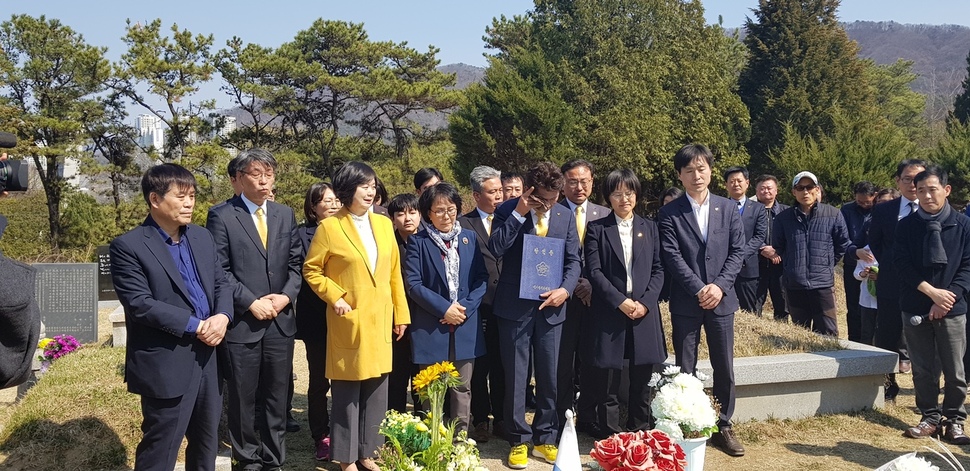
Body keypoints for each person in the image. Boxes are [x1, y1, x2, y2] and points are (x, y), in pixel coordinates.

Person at [110, 163, 233, 471]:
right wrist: (197, 325)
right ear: (155, 199)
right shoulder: (129, 246)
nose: (189, 203)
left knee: (206, 444)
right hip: (166, 360)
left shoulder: (202, 238)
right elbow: (139, 303)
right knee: (161, 446)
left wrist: (223, 316)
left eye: (192, 195)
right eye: (181, 196)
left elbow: (221, 284)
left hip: (210, 356)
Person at [303, 161, 410, 471]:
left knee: (377, 389)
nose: (371, 190)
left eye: (373, 185)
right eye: (364, 185)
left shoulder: (384, 223)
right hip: (349, 318)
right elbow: (312, 269)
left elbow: (394, 274)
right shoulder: (330, 227)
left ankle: (368, 453)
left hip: (381, 318)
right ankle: (345, 457)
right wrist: (335, 296)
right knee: (348, 391)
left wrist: (400, 314)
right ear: (348, 189)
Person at [206, 149, 302, 471]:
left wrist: (285, 298)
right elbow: (219, 270)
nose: (264, 181)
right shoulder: (221, 215)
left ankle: (274, 461)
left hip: (280, 322)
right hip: (244, 324)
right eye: (256, 174)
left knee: (277, 397)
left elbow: (295, 266)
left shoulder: (284, 214)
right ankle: (246, 460)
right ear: (239, 178)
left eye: (269, 174)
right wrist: (250, 301)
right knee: (243, 399)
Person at [488, 162, 581, 468]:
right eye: (543, 199)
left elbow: (573, 261)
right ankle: (517, 439)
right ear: (530, 191)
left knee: (549, 376)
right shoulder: (508, 211)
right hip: (515, 309)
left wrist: (565, 290)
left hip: (552, 309)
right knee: (516, 376)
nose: (550, 204)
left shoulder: (566, 216)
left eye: (554, 198)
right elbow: (497, 247)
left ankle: (545, 437)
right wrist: (520, 212)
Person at [657, 144, 745, 457]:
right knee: (685, 365)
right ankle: (685, 422)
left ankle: (723, 424)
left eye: (702, 168)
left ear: (710, 170)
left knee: (724, 365)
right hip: (686, 301)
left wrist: (719, 287)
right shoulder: (669, 213)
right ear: (680, 175)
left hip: (722, 300)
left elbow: (738, 251)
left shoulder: (728, 207)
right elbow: (671, 255)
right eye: (689, 170)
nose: (697, 175)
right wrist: (699, 288)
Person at [583, 168, 666, 437]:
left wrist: (644, 302)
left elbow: (659, 270)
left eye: (628, 193)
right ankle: (611, 436)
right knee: (608, 379)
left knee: (642, 379)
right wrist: (620, 301)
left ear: (637, 195)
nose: (624, 199)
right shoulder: (597, 229)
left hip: (644, 313)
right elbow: (594, 272)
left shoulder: (650, 227)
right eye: (617, 194)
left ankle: (639, 429)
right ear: (608, 198)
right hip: (610, 312)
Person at [404, 183, 489, 435]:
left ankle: (460, 438)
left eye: (451, 209)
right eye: (439, 210)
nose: (446, 216)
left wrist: (464, 308)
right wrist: (444, 309)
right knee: (432, 388)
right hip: (431, 326)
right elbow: (414, 284)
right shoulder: (418, 242)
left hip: (465, 324)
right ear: (427, 213)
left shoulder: (469, 238)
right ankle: (432, 440)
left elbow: (481, 279)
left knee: (462, 387)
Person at [895, 165, 970, 445]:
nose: (927, 196)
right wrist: (931, 293)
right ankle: (929, 416)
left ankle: (955, 420)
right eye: (921, 190)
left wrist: (946, 298)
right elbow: (902, 264)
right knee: (923, 368)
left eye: (933, 190)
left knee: (955, 370)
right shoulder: (907, 226)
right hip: (916, 305)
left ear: (946, 190)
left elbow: (967, 266)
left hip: (953, 306)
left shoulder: (963, 226)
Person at [557, 159, 609, 436]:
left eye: (584, 181)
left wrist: (590, 281)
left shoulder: (604, 214)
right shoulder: (551, 213)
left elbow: (610, 259)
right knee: (562, 360)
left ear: (592, 181)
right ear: (563, 183)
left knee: (591, 359)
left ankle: (588, 416)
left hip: (595, 298)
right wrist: (571, 282)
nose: (579, 186)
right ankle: (562, 415)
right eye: (573, 181)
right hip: (562, 298)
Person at [870, 159, 928, 401]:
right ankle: (887, 385)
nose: (913, 185)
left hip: (926, 285)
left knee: (924, 341)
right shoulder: (884, 210)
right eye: (907, 179)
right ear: (898, 181)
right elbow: (876, 242)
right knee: (887, 336)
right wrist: (894, 267)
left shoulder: (933, 207)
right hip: (891, 283)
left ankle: (925, 391)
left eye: (918, 179)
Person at [460, 166, 507, 442]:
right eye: (493, 192)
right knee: (479, 366)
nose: (499, 196)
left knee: (503, 364)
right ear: (477, 195)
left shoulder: (511, 221)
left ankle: (501, 418)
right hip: (478, 306)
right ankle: (479, 419)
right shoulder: (464, 224)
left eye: (500, 190)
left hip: (508, 305)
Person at [772, 171, 850, 336]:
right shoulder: (783, 218)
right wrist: (791, 265)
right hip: (795, 284)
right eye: (800, 188)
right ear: (794, 192)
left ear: (817, 189)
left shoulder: (833, 214)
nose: (805, 192)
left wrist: (827, 263)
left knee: (828, 333)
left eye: (809, 187)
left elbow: (842, 243)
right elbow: (778, 246)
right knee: (800, 334)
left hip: (822, 284)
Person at [295, 182, 341, 461]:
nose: (334, 205)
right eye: (326, 201)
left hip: (349, 316)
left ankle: (345, 432)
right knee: (319, 380)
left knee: (347, 379)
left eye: (336, 199)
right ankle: (321, 435)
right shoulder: (302, 234)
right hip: (317, 316)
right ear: (313, 207)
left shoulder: (351, 229)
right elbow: (308, 273)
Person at [387, 193, 422, 415]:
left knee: (422, 377)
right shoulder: (388, 244)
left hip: (425, 318)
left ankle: (424, 422)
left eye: (412, 212)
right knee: (397, 375)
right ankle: (395, 422)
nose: (407, 218)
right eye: (400, 213)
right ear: (392, 219)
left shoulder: (431, 241)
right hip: (395, 319)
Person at [723, 167, 767, 314]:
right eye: (731, 181)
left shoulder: (758, 208)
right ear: (726, 185)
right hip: (723, 266)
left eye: (739, 181)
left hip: (748, 267)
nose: (736, 184)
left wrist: (740, 255)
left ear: (747, 183)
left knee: (750, 309)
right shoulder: (719, 207)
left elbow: (759, 236)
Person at [840, 181, 877, 342]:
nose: (863, 205)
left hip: (876, 264)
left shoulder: (881, 209)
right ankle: (854, 340)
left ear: (874, 196)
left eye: (867, 202)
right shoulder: (847, 210)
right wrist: (856, 252)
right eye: (859, 201)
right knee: (854, 305)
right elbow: (842, 237)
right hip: (853, 262)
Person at [753, 175, 789, 320]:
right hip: (756, 264)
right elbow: (743, 234)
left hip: (780, 265)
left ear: (776, 191)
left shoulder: (787, 212)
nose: (766, 191)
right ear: (756, 191)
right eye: (762, 188)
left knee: (782, 303)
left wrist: (777, 251)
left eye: (769, 188)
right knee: (754, 304)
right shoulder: (750, 211)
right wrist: (762, 248)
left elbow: (792, 238)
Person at [657, 187, 683, 304]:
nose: (669, 206)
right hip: (661, 268)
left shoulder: (685, 224)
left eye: (673, 202)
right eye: (666, 202)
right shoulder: (654, 223)